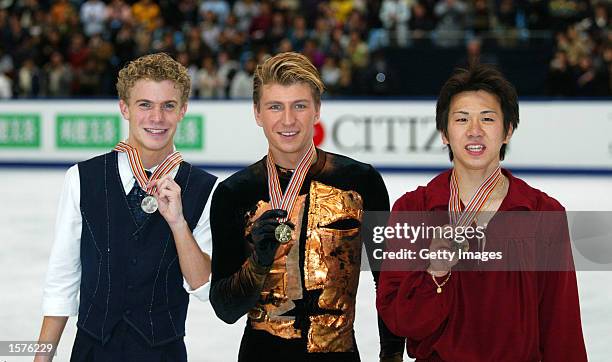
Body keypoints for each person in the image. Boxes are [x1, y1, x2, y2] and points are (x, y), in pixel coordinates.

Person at [376, 64, 587, 361]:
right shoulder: (414, 210)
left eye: (487, 119)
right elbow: (399, 320)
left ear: (507, 131)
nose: (474, 131)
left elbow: (561, 326)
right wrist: (435, 273)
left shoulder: (543, 214)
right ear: (444, 133)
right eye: (462, 119)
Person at [209, 52, 405, 361]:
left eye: (299, 105)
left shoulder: (361, 182)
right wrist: (258, 263)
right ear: (257, 113)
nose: (288, 120)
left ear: (316, 110)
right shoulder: (234, 193)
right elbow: (225, 310)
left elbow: (390, 284)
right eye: (275, 107)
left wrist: (391, 357)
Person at [35, 52, 217, 362]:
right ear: (125, 108)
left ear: (183, 110)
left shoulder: (204, 188)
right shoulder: (82, 178)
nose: (156, 118)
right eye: (145, 104)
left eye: (168, 106)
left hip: (164, 353)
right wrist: (41, 358)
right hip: (93, 350)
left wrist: (178, 224)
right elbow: (62, 280)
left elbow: (202, 286)